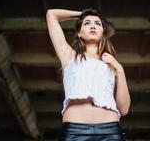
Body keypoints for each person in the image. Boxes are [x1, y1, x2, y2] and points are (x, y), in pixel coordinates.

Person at [46, 8, 131, 140]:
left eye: (97, 23)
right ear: (79, 33)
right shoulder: (69, 56)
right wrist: (83, 15)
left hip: (110, 132)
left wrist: (119, 69)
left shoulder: (112, 64)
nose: (92, 26)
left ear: (103, 32)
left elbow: (124, 109)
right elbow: (51, 14)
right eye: (87, 23)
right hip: (74, 131)